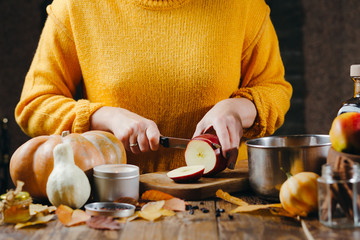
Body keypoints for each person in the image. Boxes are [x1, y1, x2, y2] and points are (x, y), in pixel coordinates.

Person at [15, 0, 292, 174]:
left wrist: (237, 108)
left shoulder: (244, 5)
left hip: (222, 195)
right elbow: (34, 104)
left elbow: (274, 89)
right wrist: (105, 116)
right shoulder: (75, 6)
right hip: (114, 201)